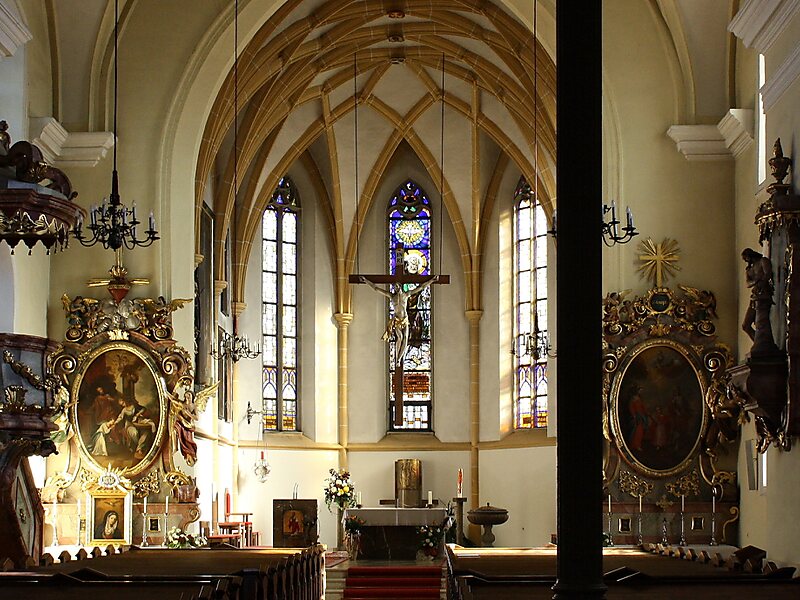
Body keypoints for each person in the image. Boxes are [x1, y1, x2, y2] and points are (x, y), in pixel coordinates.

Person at [360, 274, 439, 365]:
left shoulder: (406, 294)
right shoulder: (392, 296)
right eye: (395, 287)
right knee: (400, 338)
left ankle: (399, 358)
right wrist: (366, 281)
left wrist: (432, 280)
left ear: (400, 286)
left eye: (397, 286)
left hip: (404, 319)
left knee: (405, 338)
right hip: (397, 320)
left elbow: (421, 287)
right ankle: (397, 358)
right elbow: (376, 288)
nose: (396, 288)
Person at [741, 248, 774, 341]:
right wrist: (756, 280)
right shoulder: (749, 270)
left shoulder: (763, 261)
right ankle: (758, 342)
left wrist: (759, 281)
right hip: (754, 296)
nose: (746, 261)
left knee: (761, 323)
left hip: (764, 294)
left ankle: (763, 343)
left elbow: (768, 274)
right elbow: (748, 283)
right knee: (745, 325)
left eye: (746, 258)